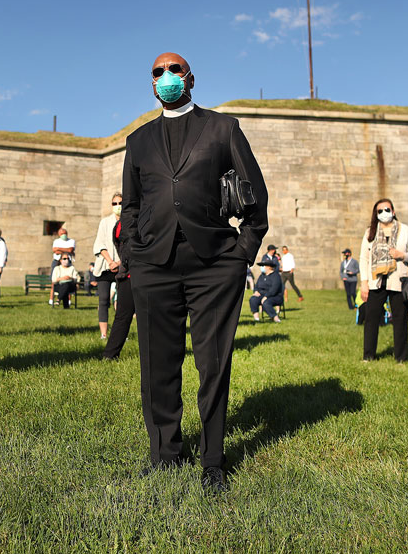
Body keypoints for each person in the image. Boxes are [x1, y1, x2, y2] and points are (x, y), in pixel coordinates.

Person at [121, 51, 268, 494]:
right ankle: (165, 454)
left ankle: (213, 460)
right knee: (157, 366)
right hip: (154, 267)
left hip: (213, 265)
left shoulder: (222, 128)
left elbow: (255, 195)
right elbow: (130, 204)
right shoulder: (138, 141)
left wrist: (243, 250)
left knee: (212, 365)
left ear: (191, 78)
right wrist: (132, 253)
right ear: (151, 84)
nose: (166, 77)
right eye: (157, 72)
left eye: (174, 70)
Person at [359, 199, 408, 362]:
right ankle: (368, 356)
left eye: (386, 209)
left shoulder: (404, 230)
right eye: (379, 211)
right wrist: (363, 282)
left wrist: (402, 255)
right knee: (371, 319)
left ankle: (400, 358)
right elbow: (364, 258)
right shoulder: (370, 232)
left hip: (398, 281)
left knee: (400, 320)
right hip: (376, 281)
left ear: (393, 211)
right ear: (376, 214)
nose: (383, 213)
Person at [103, 205, 136, 361]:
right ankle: (110, 354)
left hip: (141, 274)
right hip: (129, 275)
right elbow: (121, 243)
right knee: (123, 317)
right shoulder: (122, 224)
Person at [93, 193, 123, 339]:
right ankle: (103, 334)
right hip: (105, 266)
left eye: (120, 203)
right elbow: (99, 244)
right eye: (114, 203)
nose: (117, 206)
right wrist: (110, 261)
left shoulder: (129, 222)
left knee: (122, 302)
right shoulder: (105, 222)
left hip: (123, 266)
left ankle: (119, 333)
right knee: (104, 299)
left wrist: (119, 263)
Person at [49, 227, 75, 303]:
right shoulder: (56, 241)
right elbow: (55, 251)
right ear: (59, 234)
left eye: (64, 233)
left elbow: (70, 250)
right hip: (56, 261)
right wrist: (66, 250)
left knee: (68, 280)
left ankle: (68, 300)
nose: (63, 235)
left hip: (67, 261)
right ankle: (51, 299)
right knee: (54, 280)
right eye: (61, 233)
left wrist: (59, 249)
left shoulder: (71, 241)